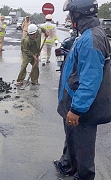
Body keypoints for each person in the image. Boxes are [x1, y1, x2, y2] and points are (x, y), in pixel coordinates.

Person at [54, 0, 111, 179]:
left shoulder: (91, 39)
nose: (69, 18)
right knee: (71, 137)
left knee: (83, 145)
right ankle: (68, 164)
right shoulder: (85, 33)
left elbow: (90, 80)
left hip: (82, 107)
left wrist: (77, 109)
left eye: (71, 14)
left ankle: (84, 175)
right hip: (72, 99)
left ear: (78, 14)